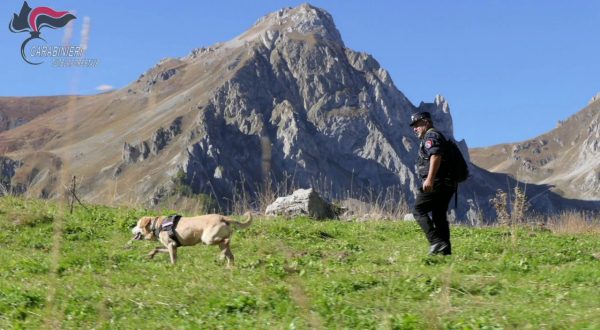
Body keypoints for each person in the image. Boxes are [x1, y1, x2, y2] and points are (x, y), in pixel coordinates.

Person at [409, 111, 456, 255]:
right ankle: (445, 250)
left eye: (417, 125)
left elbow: (436, 155)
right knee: (438, 215)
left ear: (426, 122)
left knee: (418, 210)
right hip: (447, 183)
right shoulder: (434, 136)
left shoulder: (431, 136)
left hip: (437, 182)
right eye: (413, 126)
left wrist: (429, 179)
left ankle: (436, 242)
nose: (414, 129)